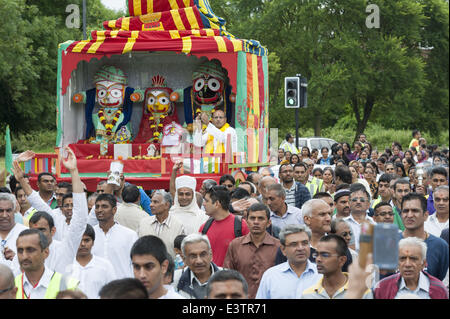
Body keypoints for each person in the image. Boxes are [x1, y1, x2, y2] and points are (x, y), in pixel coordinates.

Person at [11, 147, 88, 276]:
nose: (37, 234)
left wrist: (73, 171)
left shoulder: (65, 248)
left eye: (42, 230)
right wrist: (21, 181)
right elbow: (37, 201)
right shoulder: (23, 254)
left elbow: (80, 215)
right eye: (34, 230)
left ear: (53, 231)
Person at [223, 203, 280, 298]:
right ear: (246, 221)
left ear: (268, 223)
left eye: (260, 219)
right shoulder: (235, 245)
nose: (256, 222)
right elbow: (227, 276)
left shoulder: (279, 247)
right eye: (252, 218)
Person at [256, 224, 321, 299]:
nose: (300, 248)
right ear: (283, 250)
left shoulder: (322, 274)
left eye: (304, 243)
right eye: (294, 244)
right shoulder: (271, 276)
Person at [373, 237, 448, 299]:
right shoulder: (383, 288)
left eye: (413, 259)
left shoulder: (439, 289)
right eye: (402, 258)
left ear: (424, 263)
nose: (407, 264)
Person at [300, 234, 372, 299]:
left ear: (342, 260)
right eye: (316, 255)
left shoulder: (362, 292)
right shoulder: (308, 295)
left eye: (325, 255)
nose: (318, 259)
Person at [14, 229, 79, 299]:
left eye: (30, 250)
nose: (24, 256)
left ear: (46, 252)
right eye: (20, 251)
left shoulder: (68, 286)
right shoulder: (10, 286)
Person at [400, 193, 449, 281]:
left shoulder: (440, 246)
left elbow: (438, 280)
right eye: (406, 211)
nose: (409, 215)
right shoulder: (390, 243)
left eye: (415, 211)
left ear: (426, 215)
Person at [199, 186, 249, 267]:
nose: (203, 204)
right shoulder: (204, 227)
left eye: (207, 201)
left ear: (216, 204)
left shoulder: (241, 226)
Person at [91, 193, 138, 279]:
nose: (99, 210)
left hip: (121, 288)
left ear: (114, 210)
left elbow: (136, 264)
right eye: (97, 207)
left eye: (104, 206)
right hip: (96, 287)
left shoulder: (129, 235)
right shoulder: (89, 235)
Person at [69, 224, 117, 299]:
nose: (83, 244)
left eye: (86, 240)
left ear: (93, 242)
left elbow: (113, 292)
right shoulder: (66, 265)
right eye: (79, 240)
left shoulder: (105, 266)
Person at [137, 190, 185, 259]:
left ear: (167, 205)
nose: (151, 205)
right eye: (151, 201)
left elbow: (181, 252)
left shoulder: (178, 226)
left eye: (155, 202)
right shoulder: (143, 223)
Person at [172, 234, 221, 299]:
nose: (199, 261)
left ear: (211, 255)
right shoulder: (174, 280)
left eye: (203, 254)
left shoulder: (229, 277)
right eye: (193, 256)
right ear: (184, 259)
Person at [169, 167, 208, 234]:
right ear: (177, 195)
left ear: (193, 195)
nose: (184, 197)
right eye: (181, 194)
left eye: (187, 194)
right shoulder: (169, 215)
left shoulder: (203, 217)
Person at [344, 184, 376, 251]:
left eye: (362, 200)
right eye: (354, 200)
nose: (358, 202)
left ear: (368, 205)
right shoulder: (343, 223)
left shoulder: (374, 225)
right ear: (349, 203)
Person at [0, 193, 28, 264]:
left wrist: (17, 258)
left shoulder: (26, 233)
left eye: (8, 210)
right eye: (1, 211)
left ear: (14, 211)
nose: (4, 215)